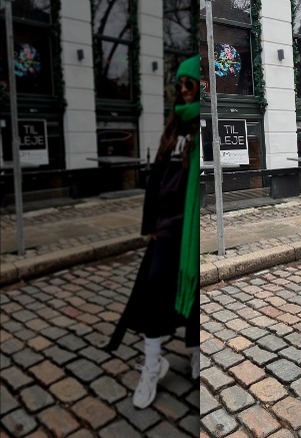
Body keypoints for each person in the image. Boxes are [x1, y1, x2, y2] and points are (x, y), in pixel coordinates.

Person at [105, 55, 200, 409]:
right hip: (168, 227)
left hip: (194, 228)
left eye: (190, 85)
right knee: (156, 285)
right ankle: (153, 361)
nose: (185, 92)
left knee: (195, 292)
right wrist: (151, 227)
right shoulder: (175, 125)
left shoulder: (201, 128)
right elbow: (156, 178)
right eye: (182, 86)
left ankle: (195, 349)